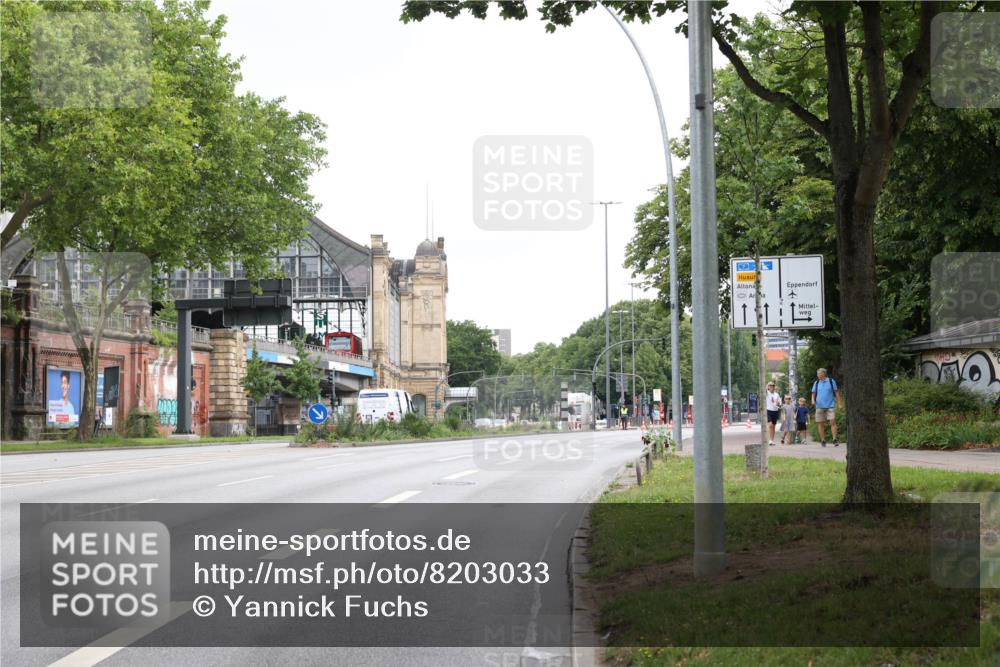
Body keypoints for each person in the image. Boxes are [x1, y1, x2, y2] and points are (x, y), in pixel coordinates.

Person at [811, 367, 842, 447]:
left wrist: (839, 404)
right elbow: (813, 393)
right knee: (820, 423)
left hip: (830, 405)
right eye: (817, 374)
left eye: (819, 374)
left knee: (832, 421)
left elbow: (837, 393)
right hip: (819, 406)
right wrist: (813, 400)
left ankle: (834, 439)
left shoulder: (831, 381)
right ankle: (823, 440)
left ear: (823, 374)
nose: (817, 375)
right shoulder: (816, 383)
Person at [765, 381, 781, 446]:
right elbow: (764, 389)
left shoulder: (776, 394)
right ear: (768, 387)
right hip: (769, 410)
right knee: (770, 425)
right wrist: (767, 385)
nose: (772, 387)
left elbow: (779, 403)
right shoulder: (767, 393)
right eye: (770, 386)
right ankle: (769, 440)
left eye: (773, 386)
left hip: (775, 411)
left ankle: (772, 440)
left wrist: (778, 403)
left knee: (774, 426)